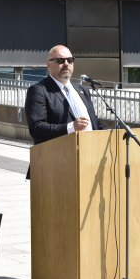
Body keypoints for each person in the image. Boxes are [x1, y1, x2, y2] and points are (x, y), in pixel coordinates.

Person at [24, 45, 109, 179]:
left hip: (90, 158)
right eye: (60, 60)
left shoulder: (82, 90)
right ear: (49, 64)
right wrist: (71, 127)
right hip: (57, 163)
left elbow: (93, 121)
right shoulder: (39, 90)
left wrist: (110, 133)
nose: (66, 64)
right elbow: (37, 129)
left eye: (70, 60)